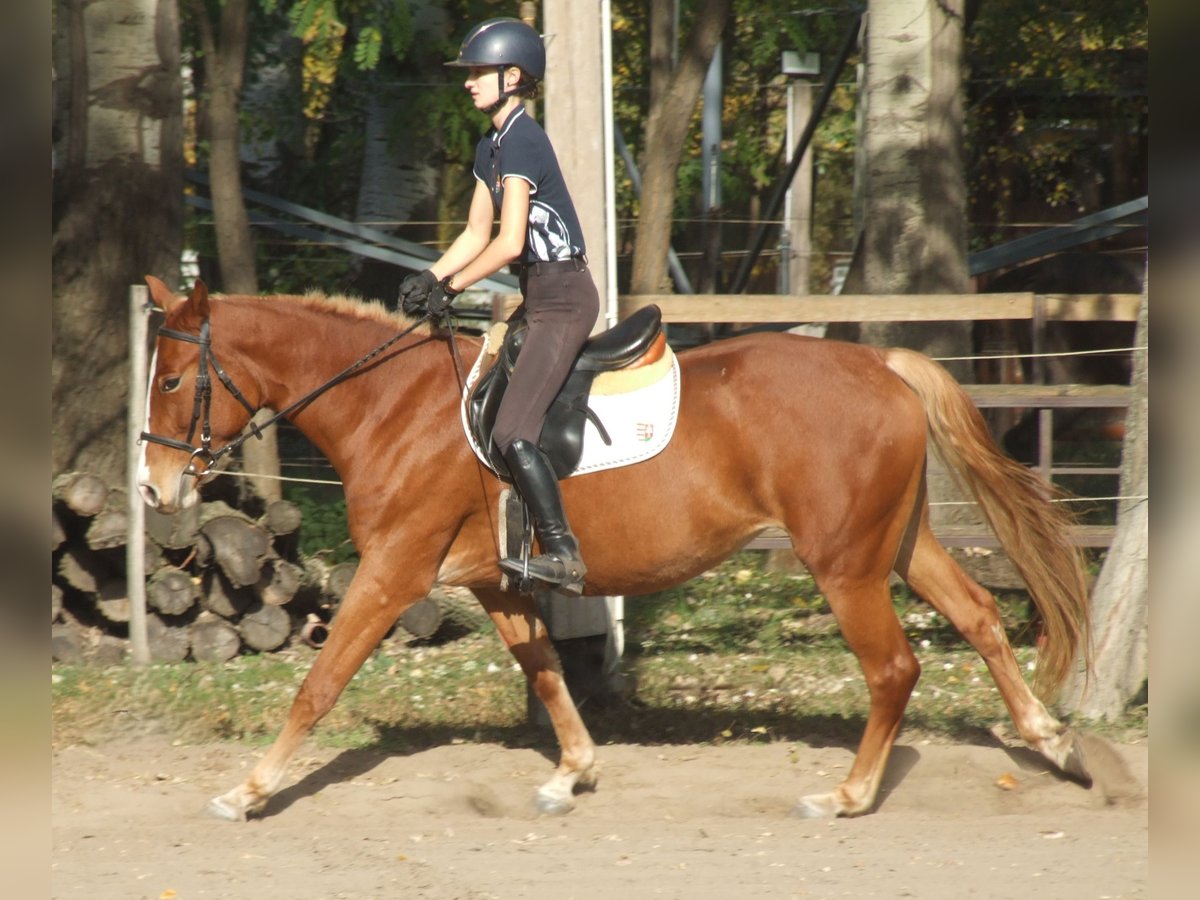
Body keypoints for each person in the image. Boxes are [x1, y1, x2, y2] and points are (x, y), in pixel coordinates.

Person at [399, 17, 599, 595]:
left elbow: (509, 243)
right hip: (538, 299)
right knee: (484, 409)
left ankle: (563, 551)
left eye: (478, 73)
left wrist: (454, 288)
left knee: (513, 427)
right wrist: (430, 275)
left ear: (513, 77)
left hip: (563, 300)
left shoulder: (525, 140)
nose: (468, 83)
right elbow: (473, 232)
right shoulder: (492, 144)